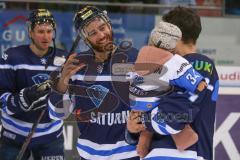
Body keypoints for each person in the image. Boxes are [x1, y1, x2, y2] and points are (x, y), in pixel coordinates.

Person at [48, 6, 140, 160]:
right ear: (85, 39)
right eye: (93, 33)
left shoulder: (136, 58)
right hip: (90, 155)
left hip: (130, 154)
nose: (101, 35)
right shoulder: (76, 66)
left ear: (109, 25)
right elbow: (56, 114)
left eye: (102, 28)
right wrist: (63, 79)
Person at [127, 6, 219, 160]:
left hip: (183, 154)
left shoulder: (198, 64)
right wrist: (133, 128)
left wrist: (143, 120)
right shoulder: (166, 66)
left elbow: (174, 116)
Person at [0, 9, 67, 160]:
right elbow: (1, 97)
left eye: (50, 31)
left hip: (50, 136)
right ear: (30, 32)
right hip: (14, 135)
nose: (46, 36)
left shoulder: (63, 59)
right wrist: (25, 98)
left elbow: (71, 94)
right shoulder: (12, 57)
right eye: (40, 31)